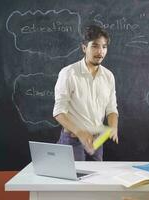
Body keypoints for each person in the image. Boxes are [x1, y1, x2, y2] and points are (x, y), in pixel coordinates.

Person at [53, 25, 119, 161]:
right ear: (84, 48)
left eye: (104, 47)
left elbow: (112, 109)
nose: (100, 51)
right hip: (73, 140)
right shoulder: (69, 73)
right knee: (74, 182)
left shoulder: (108, 76)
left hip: (97, 141)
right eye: (95, 46)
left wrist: (113, 126)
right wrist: (80, 132)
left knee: (96, 181)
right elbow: (59, 112)